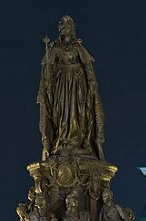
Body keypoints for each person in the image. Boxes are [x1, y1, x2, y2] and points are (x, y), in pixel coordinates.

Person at [37, 16, 105, 160]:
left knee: (77, 114)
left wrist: (91, 82)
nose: (66, 28)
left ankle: (77, 141)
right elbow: (48, 68)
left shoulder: (78, 48)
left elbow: (87, 66)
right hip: (61, 86)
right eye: (63, 26)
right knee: (60, 113)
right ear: (60, 30)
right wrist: (47, 80)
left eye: (68, 26)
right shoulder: (55, 48)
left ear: (72, 29)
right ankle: (61, 141)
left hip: (77, 84)